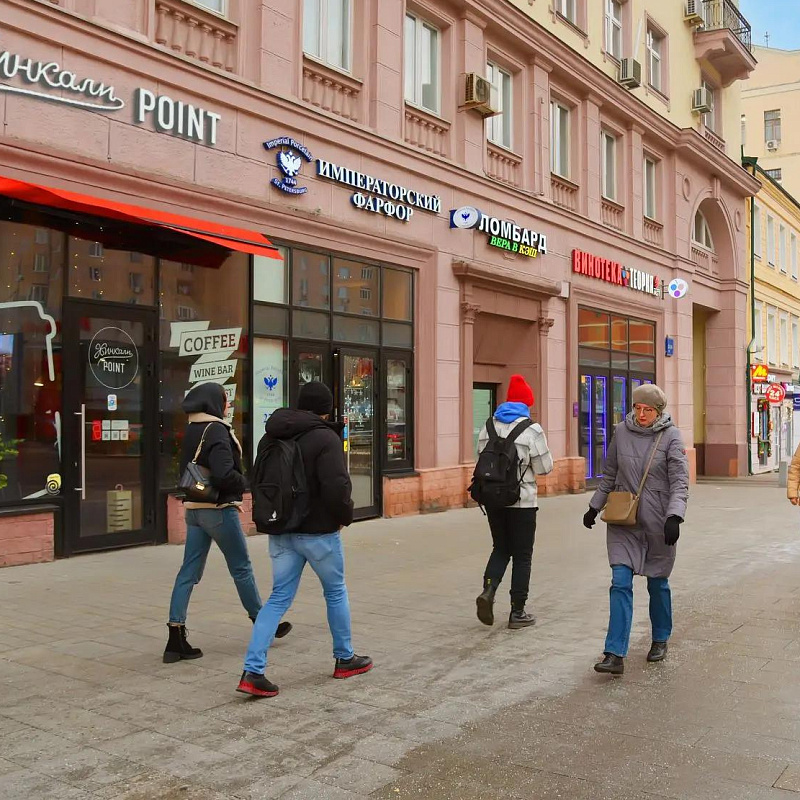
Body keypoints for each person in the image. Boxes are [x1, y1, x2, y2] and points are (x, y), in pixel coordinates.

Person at [237, 381, 372, 697]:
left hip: (281, 528)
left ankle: (253, 671)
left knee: (278, 598)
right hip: (319, 532)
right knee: (335, 591)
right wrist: (344, 517)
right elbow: (337, 486)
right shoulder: (325, 437)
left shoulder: (271, 435)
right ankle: (345, 658)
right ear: (326, 409)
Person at [164, 382, 290, 663]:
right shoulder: (216, 430)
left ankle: (175, 636)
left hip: (194, 510)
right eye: (225, 400)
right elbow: (223, 474)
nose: (228, 405)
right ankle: (264, 625)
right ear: (213, 403)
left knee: (188, 572)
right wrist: (246, 481)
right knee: (241, 568)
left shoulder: (193, 428)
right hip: (219, 510)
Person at [583, 384, 689, 675]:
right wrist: (594, 506)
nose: (641, 414)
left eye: (648, 410)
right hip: (623, 519)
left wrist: (674, 517)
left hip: (658, 523)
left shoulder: (671, 436)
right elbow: (610, 474)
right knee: (620, 581)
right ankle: (614, 653)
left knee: (657, 582)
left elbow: (680, 482)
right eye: (637, 408)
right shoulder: (621, 432)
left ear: (659, 411)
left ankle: (660, 638)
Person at [474, 374, 553, 630]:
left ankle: (488, 590)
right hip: (523, 502)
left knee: (500, 548)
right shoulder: (532, 429)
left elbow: (481, 458)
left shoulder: (488, 425)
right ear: (526, 403)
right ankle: (517, 612)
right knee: (522, 556)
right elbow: (544, 468)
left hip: (493, 500)